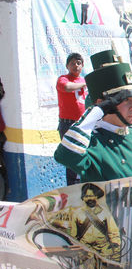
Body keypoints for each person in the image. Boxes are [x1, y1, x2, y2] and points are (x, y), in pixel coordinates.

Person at [53, 62, 132, 269]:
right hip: (114, 243)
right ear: (104, 104)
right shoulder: (93, 143)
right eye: (125, 100)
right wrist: (95, 112)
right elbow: (65, 154)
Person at [56, 53, 88, 185]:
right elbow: (67, 88)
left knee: (83, 157)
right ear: (67, 66)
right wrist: (83, 84)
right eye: (73, 63)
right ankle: (72, 190)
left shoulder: (83, 80)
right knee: (71, 160)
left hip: (83, 125)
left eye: (79, 63)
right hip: (68, 125)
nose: (76, 65)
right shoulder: (63, 79)